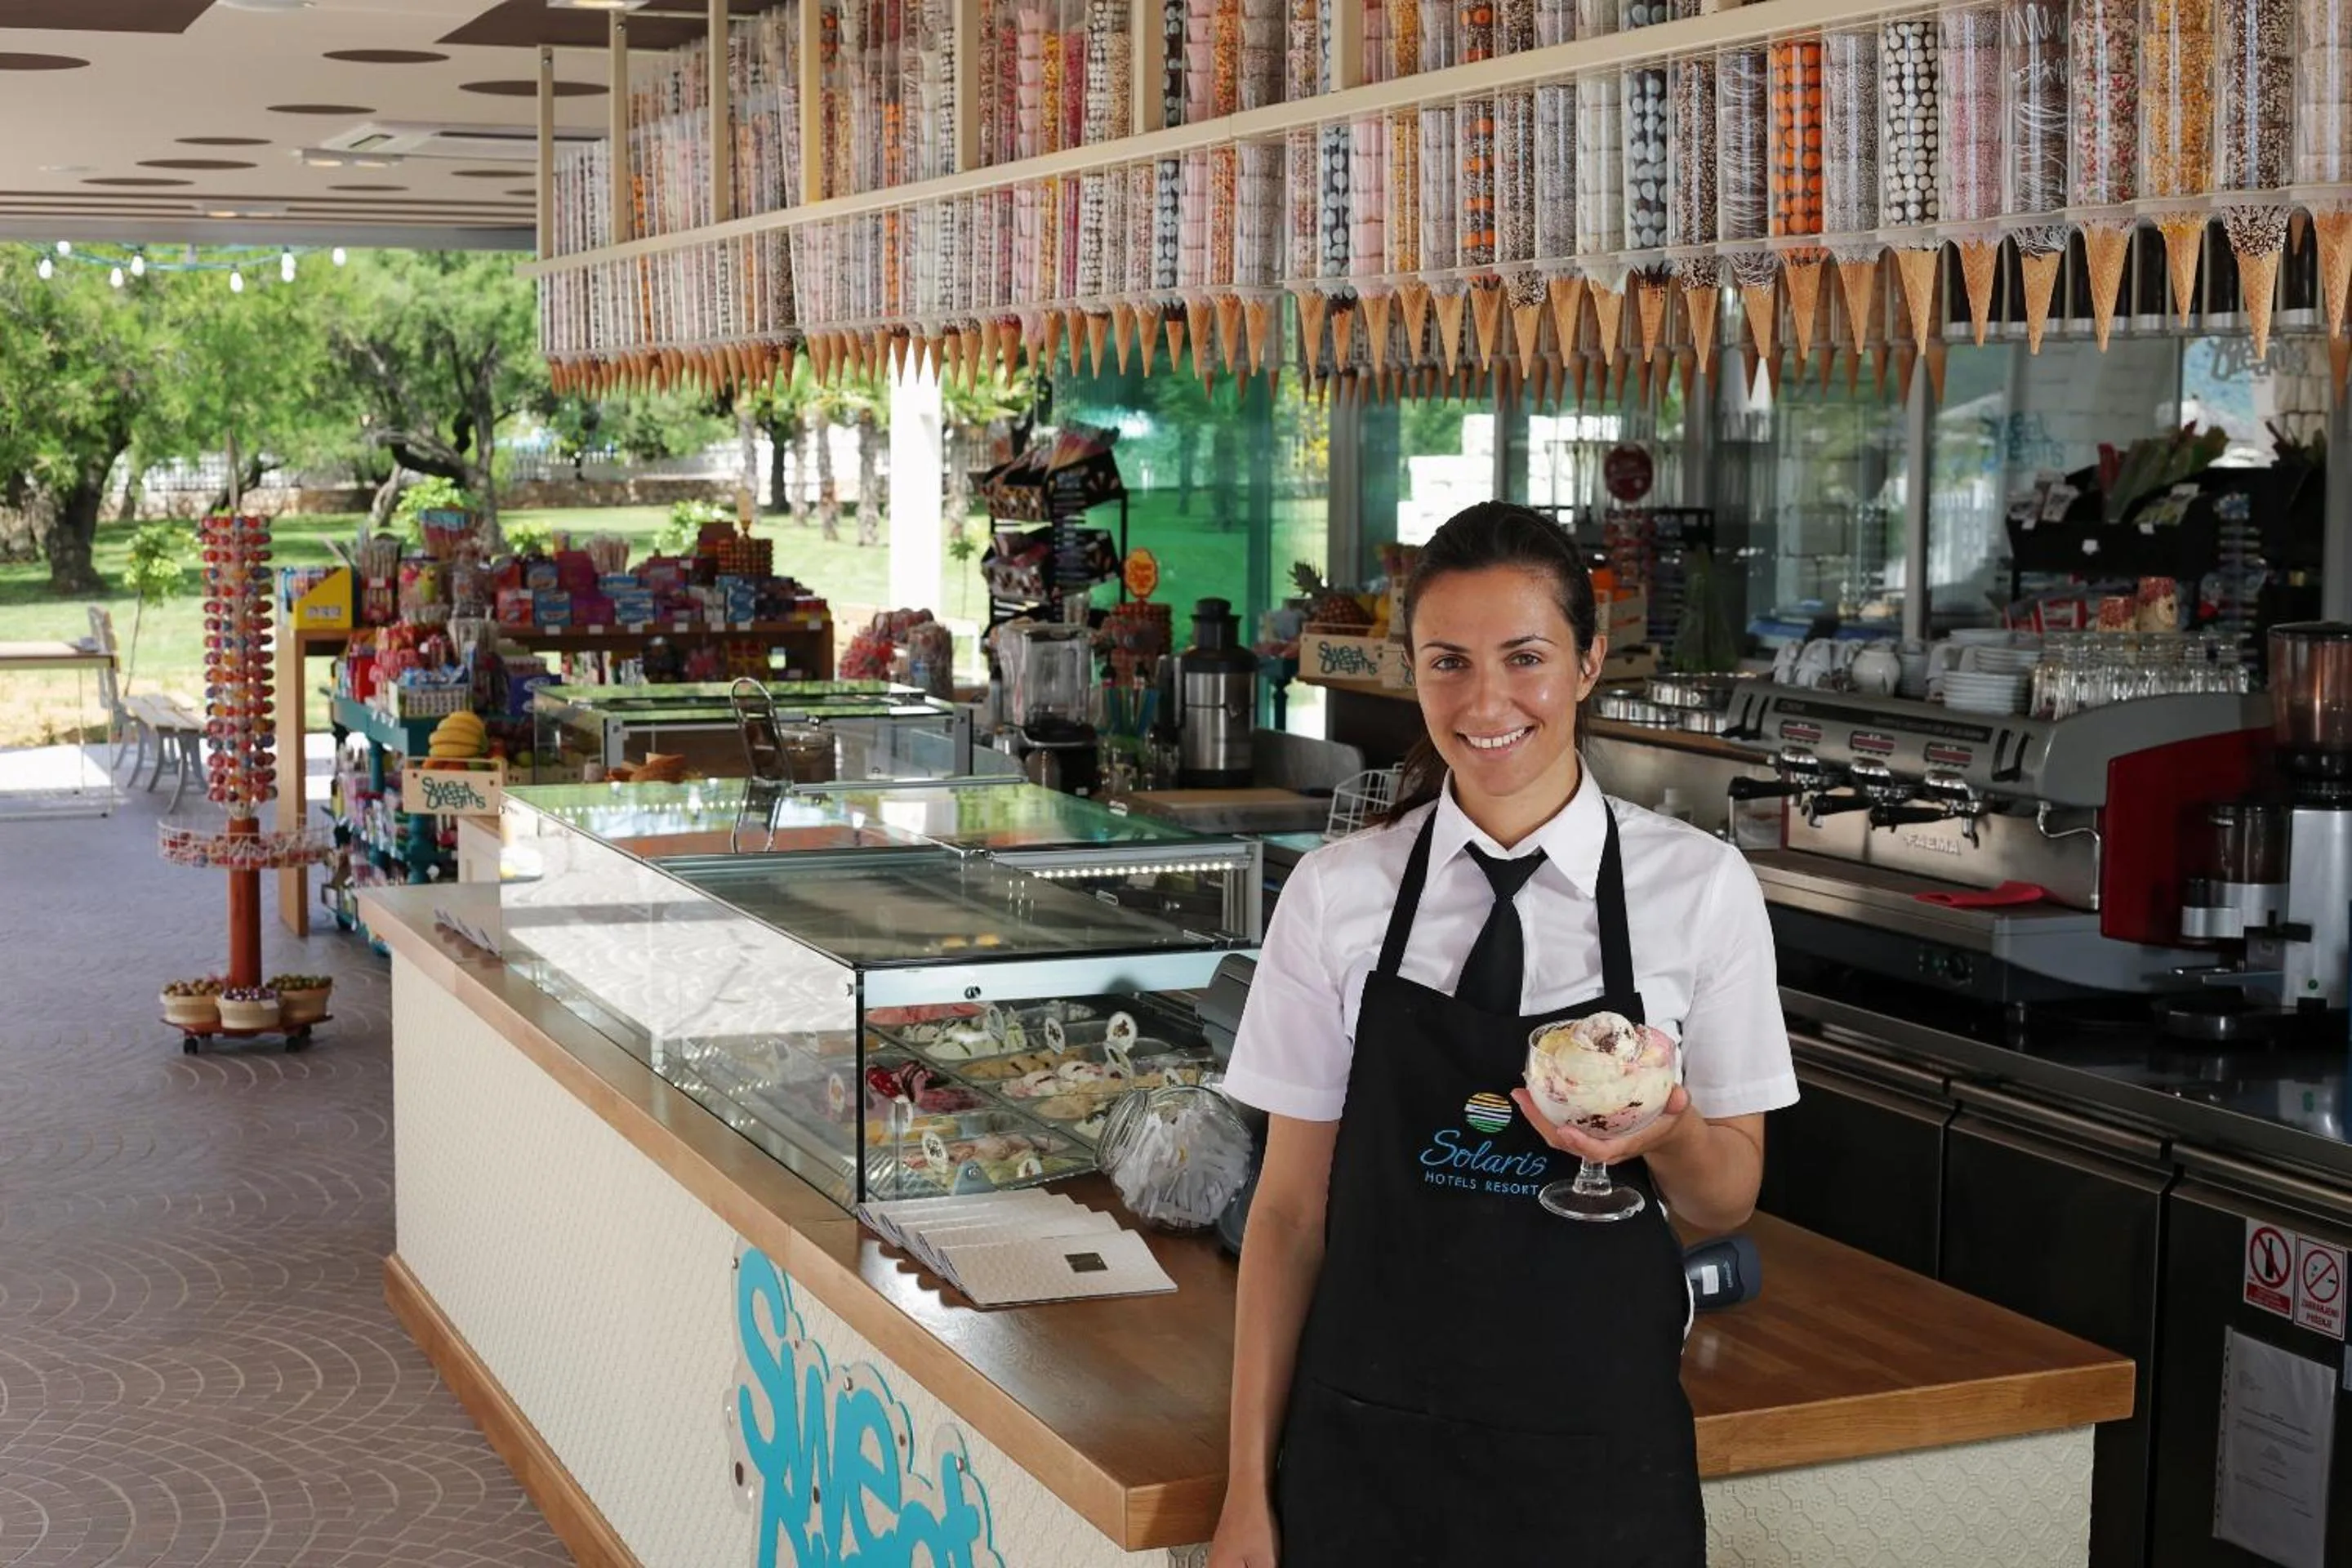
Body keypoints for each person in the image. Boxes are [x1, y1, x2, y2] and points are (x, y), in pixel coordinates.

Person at [1210, 502, 1797, 1567]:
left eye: (1525, 657)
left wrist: (1666, 1133)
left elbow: (1724, 1204)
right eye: (1448, 663)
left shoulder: (1700, 891)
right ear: (1412, 674)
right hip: (1363, 1455)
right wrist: (1248, 1490)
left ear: (1588, 662)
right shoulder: (1339, 897)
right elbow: (1290, 1215)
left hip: (1598, 1469)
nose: (1486, 703)